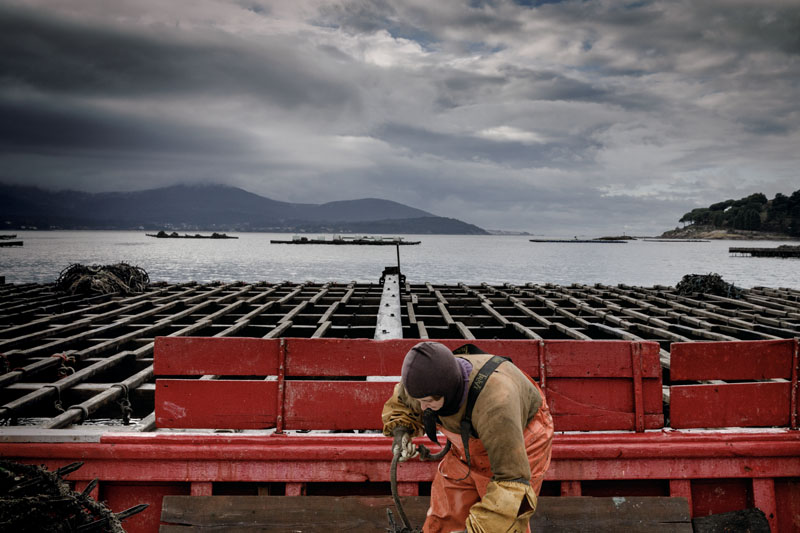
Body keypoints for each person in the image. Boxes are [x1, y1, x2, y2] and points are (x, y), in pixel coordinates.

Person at [382, 341, 554, 533]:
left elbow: (512, 485)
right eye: (420, 401)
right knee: (444, 515)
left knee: (505, 520)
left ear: (448, 392)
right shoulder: (426, 380)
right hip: (467, 445)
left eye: (428, 402)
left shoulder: (497, 405)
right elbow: (403, 402)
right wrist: (401, 432)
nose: (423, 408)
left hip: (520, 440)